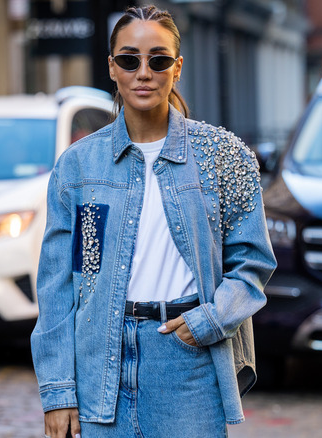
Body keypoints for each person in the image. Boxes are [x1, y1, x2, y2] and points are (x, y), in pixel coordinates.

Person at [30, 5, 276, 438]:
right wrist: (58, 391)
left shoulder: (221, 156)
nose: (143, 72)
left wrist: (208, 323)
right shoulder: (78, 167)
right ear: (112, 67)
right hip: (98, 363)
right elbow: (60, 287)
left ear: (176, 68)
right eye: (129, 59)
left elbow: (253, 263)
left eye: (158, 60)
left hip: (185, 362)